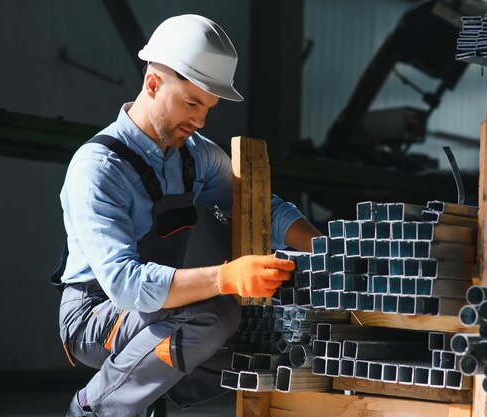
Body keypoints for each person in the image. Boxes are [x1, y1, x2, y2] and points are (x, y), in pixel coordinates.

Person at [57, 14, 322, 417]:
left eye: (208, 108)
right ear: (153, 84)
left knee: (264, 339)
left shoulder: (194, 155)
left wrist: (325, 248)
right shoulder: (98, 168)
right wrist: (227, 277)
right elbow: (125, 286)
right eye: (192, 102)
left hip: (158, 310)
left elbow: (259, 207)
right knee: (214, 312)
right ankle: (96, 408)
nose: (199, 121)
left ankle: (148, 398)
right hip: (93, 316)